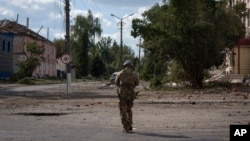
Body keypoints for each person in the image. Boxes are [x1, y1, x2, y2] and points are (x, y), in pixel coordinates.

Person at [115, 60, 139, 133]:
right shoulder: (135, 74)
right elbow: (137, 84)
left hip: (123, 94)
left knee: (123, 110)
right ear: (132, 66)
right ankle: (130, 125)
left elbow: (117, 83)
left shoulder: (120, 73)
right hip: (131, 94)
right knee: (129, 109)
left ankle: (126, 127)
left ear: (124, 65)